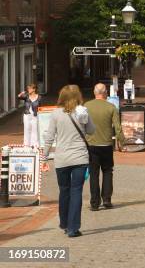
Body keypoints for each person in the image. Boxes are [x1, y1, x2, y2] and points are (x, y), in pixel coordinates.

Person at [42, 85, 95, 238]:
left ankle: (64, 223)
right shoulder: (82, 111)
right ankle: (73, 228)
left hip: (61, 159)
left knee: (64, 190)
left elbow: (49, 137)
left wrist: (44, 157)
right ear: (78, 96)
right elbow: (91, 131)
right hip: (79, 158)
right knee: (76, 191)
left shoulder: (56, 113)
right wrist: (85, 121)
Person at [84, 84, 125, 211]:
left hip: (91, 144)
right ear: (106, 93)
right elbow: (117, 127)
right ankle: (107, 199)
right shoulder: (111, 107)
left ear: (94, 92)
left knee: (94, 173)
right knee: (107, 171)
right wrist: (121, 142)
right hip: (106, 144)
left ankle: (94, 202)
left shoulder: (86, 106)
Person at [18, 83, 42, 147]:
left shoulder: (39, 97)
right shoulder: (26, 96)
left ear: (34, 89)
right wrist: (22, 93)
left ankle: (35, 145)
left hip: (35, 115)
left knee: (35, 130)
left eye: (30, 88)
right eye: (28, 88)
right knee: (27, 129)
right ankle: (26, 145)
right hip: (27, 115)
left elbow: (40, 107)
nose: (28, 90)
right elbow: (19, 97)